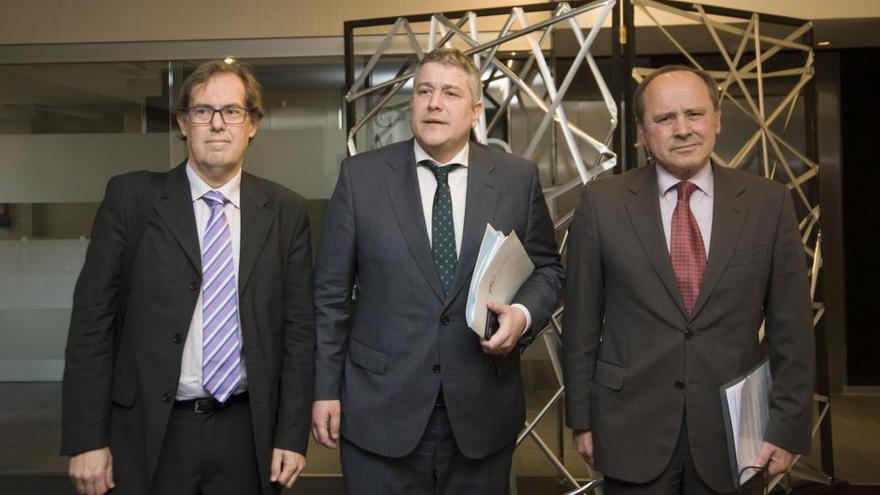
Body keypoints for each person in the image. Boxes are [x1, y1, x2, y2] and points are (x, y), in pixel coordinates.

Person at [311, 48, 564, 494]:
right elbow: (330, 294)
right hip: (378, 412)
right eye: (424, 91)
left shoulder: (515, 178)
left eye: (450, 92)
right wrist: (325, 390)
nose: (434, 102)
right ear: (410, 104)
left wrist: (522, 316)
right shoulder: (361, 178)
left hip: (482, 413)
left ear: (475, 110)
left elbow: (547, 270)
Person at [61, 58, 315, 495]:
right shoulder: (130, 199)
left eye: (232, 111)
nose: (217, 124)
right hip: (150, 430)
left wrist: (292, 435)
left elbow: (298, 331)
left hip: (245, 431)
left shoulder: (285, 211)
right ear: (183, 122)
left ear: (252, 124)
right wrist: (87, 438)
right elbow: (92, 323)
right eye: (203, 111)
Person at [562, 65, 815, 494]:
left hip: (737, 435)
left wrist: (787, 427)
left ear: (717, 119)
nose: (683, 130)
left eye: (694, 114)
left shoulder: (768, 204)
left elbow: (792, 327)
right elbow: (581, 324)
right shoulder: (601, 203)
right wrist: (581, 418)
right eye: (664, 119)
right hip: (629, 425)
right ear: (641, 132)